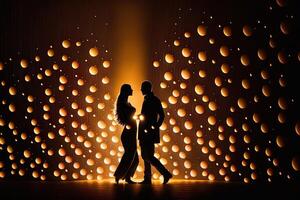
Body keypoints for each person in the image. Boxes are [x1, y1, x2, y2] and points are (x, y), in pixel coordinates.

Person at [138, 80, 173, 184]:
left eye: (142, 88)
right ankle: (148, 178)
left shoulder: (153, 100)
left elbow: (162, 115)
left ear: (147, 89)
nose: (141, 90)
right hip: (146, 131)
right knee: (147, 155)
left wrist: (156, 125)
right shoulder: (149, 99)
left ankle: (165, 173)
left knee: (147, 155)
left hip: (148, 132)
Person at [113, 84, 138, 184]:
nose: (132, 90)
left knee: (134, 159)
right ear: (126, 91)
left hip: (130, 133)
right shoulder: (123, 103)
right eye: (130, 89)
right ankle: (118, 176)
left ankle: (127, 177)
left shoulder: (126, 102)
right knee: (129, 157)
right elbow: (128, 116)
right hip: (128, 134)